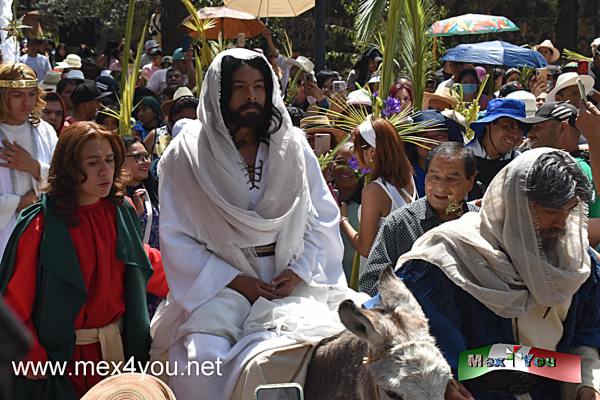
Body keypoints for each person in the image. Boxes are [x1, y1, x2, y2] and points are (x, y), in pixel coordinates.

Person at [150, 48, 352, 400]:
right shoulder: (186, 155)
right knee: (201, 362)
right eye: (240, 88)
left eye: (259, 86)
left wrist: (300, 271)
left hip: (290, 280)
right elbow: (176, 237)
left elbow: (322, 218)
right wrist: (237, 281)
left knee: (338, 344)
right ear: (219, 93)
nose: (251, 97)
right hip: (218, 287)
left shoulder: (294, 147)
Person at [372, 148, 600, 399]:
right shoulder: (444, 257)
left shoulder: (574, 261)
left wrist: (586, 384)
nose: (561, 223)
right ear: (518, 206)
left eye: (568, 210)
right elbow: (399, 334)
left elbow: (585, 331)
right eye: (550, 211)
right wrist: (440, 382)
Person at [0, 122, 166, 399]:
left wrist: (212, 280)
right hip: (62, 365)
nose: (105, 170)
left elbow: (143, 263)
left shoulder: (119, 211)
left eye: (110, 160)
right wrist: (33, 359)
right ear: (69, 167)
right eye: (92, 162)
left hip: (118, 355)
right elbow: (14, 303)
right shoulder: (40, 227)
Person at [359, 142, 478, 295]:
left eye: (452, 179)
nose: (441, 187)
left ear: (470, 181)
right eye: (434, 177)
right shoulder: (399, 224)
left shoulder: (480, 223)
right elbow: (370, 283)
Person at [340, 116, 416, 269]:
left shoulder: (374, 191)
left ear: (372, 153)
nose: (354, 154)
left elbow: (366, 248)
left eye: (356, 148)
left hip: (379, 280)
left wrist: (342, 220)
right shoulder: (408, 177)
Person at [0, 63, 57, 255]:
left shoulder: (45, 131)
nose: (27, 102)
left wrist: (34, 167)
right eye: (17, 95)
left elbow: (66, 177)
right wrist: (16, 204)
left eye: (32, 94)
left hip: (41, 232)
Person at [526, 101, 600, 218]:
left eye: (537, 127)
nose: (530, 134)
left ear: (562, 128)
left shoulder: (570, 169)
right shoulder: (587, 162)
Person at [466, 98, 534, 200]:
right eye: (507, 126)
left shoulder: (521, 163)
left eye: (520, 128)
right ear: (489, 125)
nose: (515, 134)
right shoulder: (463, 160)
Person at [405, 110, 466, 197]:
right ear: (413, 144)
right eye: (425, 137)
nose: (433, 142)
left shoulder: (460, 173)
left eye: (439, 136)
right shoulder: (405, 176)